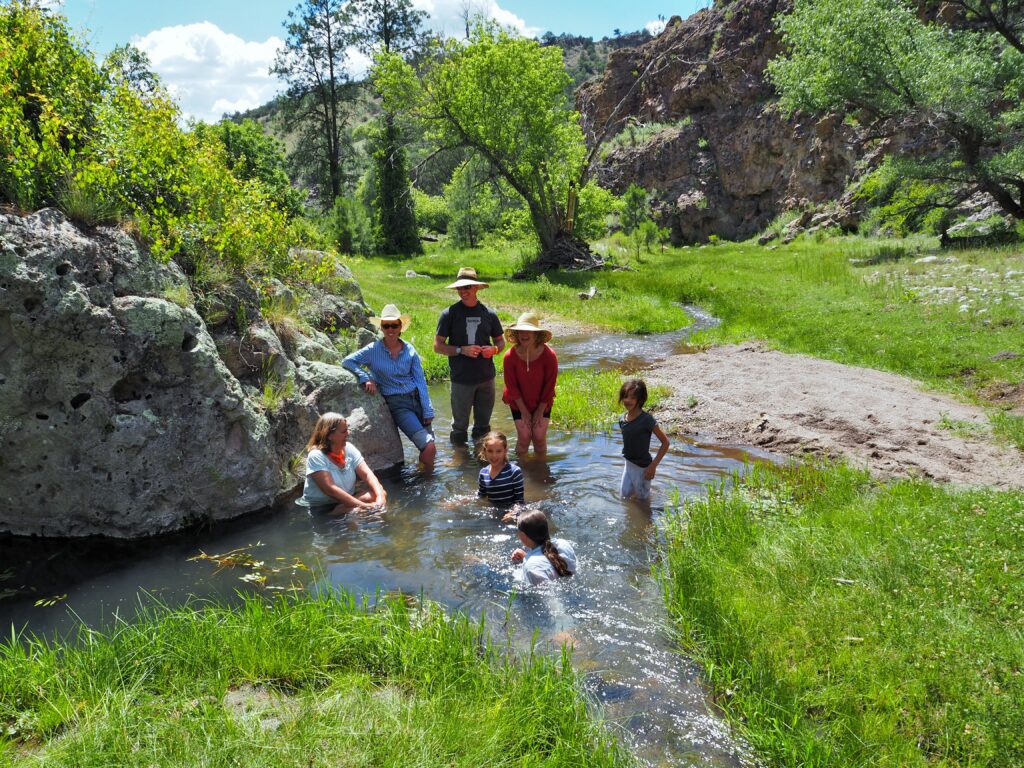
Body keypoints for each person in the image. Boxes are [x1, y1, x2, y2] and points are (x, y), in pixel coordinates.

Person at [342, 303, 436, 467]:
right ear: (381, 328)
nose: (390, 329)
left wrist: (427, 408)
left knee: (431, 449)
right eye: (386, 326)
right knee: (429, 446)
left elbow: (420, 381)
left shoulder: (410, 349)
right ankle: (426, 482)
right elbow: (348, 361)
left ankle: (425, 476)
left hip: (417, 400)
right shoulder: (372, 350)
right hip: (398, 405)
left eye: (394, 325)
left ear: (400, 327)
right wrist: (365, 377)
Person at [434, 267, 504, 442]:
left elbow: (500, 342)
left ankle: (482, 462)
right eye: (460, 288)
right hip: (461, 379)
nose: (463, 292)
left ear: (477, 288)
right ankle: (460, 462)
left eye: (467, 287)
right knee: (459, 427)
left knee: (483, 427)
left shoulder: (489, 314)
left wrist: (493, 350)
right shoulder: (449, 314)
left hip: (486, 379)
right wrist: (460, 350)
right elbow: (437, 346)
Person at [298, 412, 388, 513]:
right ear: (329, 435)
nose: (348, 433)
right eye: (344, 431)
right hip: (323, 508)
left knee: (378, 494)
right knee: (357, 511)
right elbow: (330, 490)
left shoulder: (348, 448)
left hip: (347, 501)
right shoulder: (316, 456)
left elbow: (367, 475)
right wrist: (366, 506)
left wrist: (380, 497)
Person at [502, 311, 558, 455]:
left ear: (536, 335)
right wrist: (524, 412)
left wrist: (540, 411)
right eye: (520, 331)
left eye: (528, 331)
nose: (524, 334)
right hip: (518, 401)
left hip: (542, 400)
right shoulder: (509, 356)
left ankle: (541, 472)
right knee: (524, 437)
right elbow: (511, 386)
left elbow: (550, 385)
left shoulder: (549, 355)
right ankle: (519, 472)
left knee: (539, 436)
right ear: (516, 334)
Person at [617, 379, 670, 500]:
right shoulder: (622, 419)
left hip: (643, 468)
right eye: (625, 396)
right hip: (628, 464)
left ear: (640, 399)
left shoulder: (646, 420)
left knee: (643, 502)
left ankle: (647, 518)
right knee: (624, 497)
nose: (627, 400)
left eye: (632, 398)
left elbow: (665, 443)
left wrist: (653, 467)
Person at [510, 509, 577, 585]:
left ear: (523, 536)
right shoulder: (563, 544)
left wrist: (525, 562)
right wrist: (526, 557)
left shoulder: (531, 567)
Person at [477, 431, 524, 507]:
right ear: (485, 451)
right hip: (493, 513)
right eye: (490, 451)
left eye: (498, 451)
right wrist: (462, 502)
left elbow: (520, 501)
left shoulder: (514, 471)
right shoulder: (483, 473)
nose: (494, 455)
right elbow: (481, 496)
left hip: (510, 513)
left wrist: (513, 513)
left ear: (505, 451)